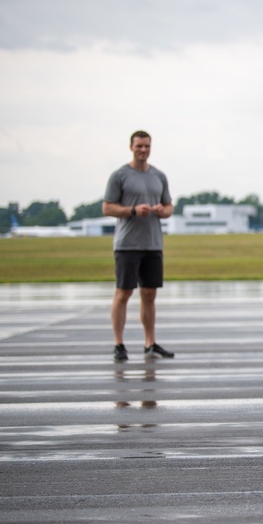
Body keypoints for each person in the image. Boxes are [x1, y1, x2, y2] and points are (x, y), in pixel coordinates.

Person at [102, 130, 175, 362]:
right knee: (124, 293)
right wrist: (133, 210)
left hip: (153, 243)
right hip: (127, 244)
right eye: (139, 146)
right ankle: (118, 343)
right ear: (131, 147)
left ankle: (150, 343)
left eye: (147, 146)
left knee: (150, 294)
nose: (143, 150)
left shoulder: (159, 176)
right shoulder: (120, 176)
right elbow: (107, 208)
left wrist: (164, 211)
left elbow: (169, 206)